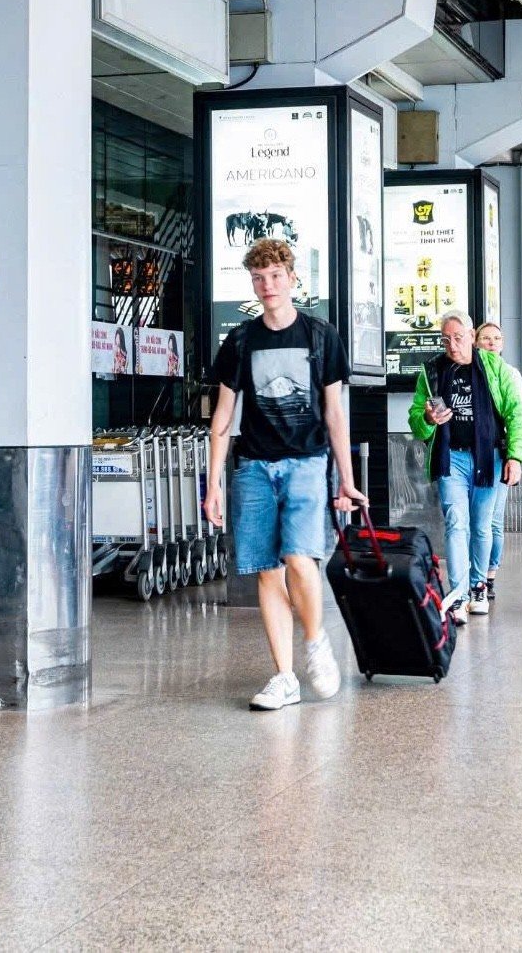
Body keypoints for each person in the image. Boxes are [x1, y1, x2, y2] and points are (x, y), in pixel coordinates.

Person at [204, 240, 366, 712]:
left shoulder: (320, 337)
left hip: (307, 464)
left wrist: (346, 478)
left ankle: (315, 642)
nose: (267, 285)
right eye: (258, 278)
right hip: (254, 468)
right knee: (267, 571)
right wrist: (213, 483)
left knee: (300, 558)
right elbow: (223, 415)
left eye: (275, 276)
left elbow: (336, 414)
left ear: (292, 279)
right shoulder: (239, 342)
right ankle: (284, 676)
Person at [409, 312, 522, 616]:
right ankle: (459, 594)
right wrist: (426, 419)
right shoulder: (432, 371)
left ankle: (479, 586)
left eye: (458, 338)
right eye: (446, 339)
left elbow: (516, 415)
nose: (452, 345)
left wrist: (515, 457)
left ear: (471, 335)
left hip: (488, 458)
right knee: (455, 522)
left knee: (481, 526)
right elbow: (415, 419)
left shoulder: (496, 368)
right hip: (452, 457)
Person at [476, 322, 522, 601]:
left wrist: (515, 456)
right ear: (476, 342)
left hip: (499, 452)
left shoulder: (510, 375)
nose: (492, 343)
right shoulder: (470, 373)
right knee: (478, 519)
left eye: (497, 338)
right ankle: (477, 573)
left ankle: (489, 574)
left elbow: (519, 415)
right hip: (473, 453)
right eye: (486, 338)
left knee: (494, 518)